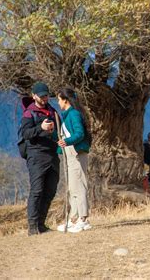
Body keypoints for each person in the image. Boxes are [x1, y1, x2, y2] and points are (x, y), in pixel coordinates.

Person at [20, 82, 59, 235]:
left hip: (52, 153)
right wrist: (40, 128)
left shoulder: (52, 110)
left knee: (50, 190)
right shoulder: (29, 113)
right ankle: (32, 227)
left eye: (46, 95)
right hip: (36, 155)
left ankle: (41, 225)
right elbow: (26, 134)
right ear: (34, 96)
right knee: (37, 191)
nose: (44, 98)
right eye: (41, 95)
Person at [55, 88, 92, 233]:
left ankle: (84, 219)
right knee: (72, 187)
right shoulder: (67, 116)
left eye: (59, 99)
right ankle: (74, 218)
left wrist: (67, 141)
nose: (58, 102)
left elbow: (79, 133)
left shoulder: (74, 115)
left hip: (77, 153)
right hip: (70, 155)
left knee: (79, 185)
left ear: (66, 100)